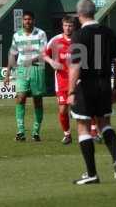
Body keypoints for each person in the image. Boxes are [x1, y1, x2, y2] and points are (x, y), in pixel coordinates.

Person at [68, 0, 116, 185]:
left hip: (86, 86)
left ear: (79, 14)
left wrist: (70, 91)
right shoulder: (109, 33)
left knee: (83, 127)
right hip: (104, 84)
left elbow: (75, 67)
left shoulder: (78, 36)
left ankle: (92, 174)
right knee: (105, 123)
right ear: (94, 12)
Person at [4, 11, 47, 142]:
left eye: (29, 19)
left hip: (37, 69)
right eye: (25, 19)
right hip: (22, 69)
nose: (27, 21)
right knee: (20, 97)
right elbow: (12, 54)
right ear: (22, 21)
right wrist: (7, 74)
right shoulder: (16, 36)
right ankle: (20, 131)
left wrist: (31, 61)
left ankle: (35, 132)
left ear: (33, 20)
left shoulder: (41, 33)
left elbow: (44, 53)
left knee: (37, 100)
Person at [45, 16, 75, 144]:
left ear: (74, 26)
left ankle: (94, 132)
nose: (68, 28)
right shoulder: (55, 40)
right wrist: (51, 62)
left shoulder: (80, 39)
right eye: (65, 25)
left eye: (70, 25)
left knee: (83, 108)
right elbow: (43, 54)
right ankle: (67, 134)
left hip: (77, 80)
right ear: (62, 26)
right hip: (61, 80)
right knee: (63, 110)